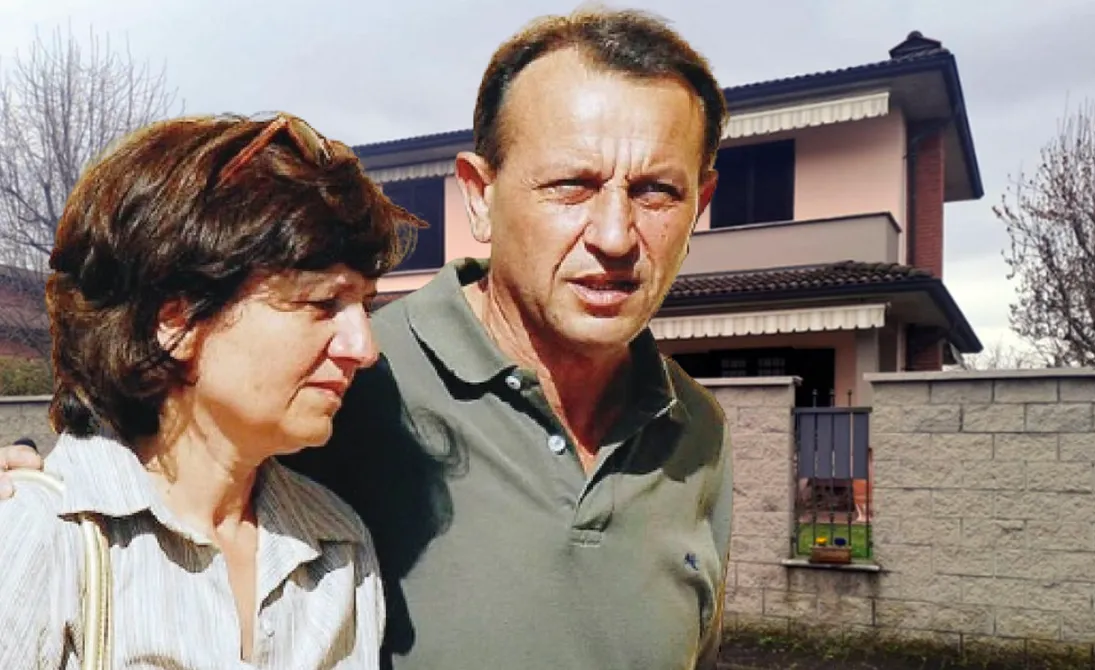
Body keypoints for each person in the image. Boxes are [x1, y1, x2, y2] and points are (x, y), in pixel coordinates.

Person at [0, 8, 735, 669]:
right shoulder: (355, 397)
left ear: (701, 203)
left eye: (657, 191)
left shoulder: (336, 549)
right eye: (572, 185)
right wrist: (27, 494)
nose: (615, 235)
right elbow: (144, 450)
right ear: (480, 194)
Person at [0, 112, 422, 667]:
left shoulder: (337, 548)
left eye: (365, 305)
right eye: (322, 303)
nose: (363, 348)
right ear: (176, 321)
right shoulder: (43, 536)